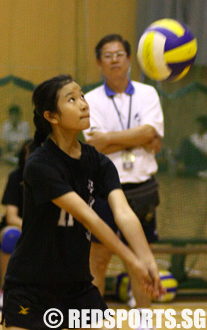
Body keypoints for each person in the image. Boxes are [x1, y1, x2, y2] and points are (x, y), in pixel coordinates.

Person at [1, 74, 164, 330]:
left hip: (77, 288)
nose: (84, 104)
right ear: (51, 117)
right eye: (72, 99)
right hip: (32, 287)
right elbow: (89, 218)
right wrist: (132, 261)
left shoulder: (98, 161)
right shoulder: (40, 164)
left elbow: (123, 212)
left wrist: (147, 260)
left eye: (83, 96)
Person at [83, 34, 164, 318]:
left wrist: (110, 139)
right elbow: (94, 145)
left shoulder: (148, 94)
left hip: (142, 189)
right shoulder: (90, 99)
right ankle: (93, 320)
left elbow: (150, 133)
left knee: (140, 260)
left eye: (119, 54)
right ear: (98, 62)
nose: (114, 59)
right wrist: (137, 138)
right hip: (105, 190)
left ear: (129, 59)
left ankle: (144, 322)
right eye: (108, 55)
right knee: (99, 258)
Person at [0, 139, 33, 309]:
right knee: (11, 237)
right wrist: (33, 229)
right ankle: (5, 291)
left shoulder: (52, 178)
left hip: (41, 228)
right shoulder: (16, 177)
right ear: (24, 156)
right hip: (18, 226)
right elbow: (11, 217)